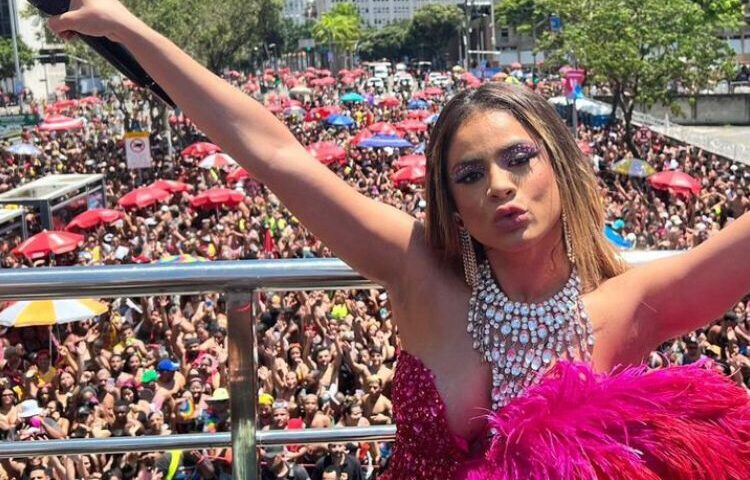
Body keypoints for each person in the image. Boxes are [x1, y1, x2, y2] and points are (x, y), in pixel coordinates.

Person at [48, 3, 750, 478]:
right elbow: (274, 152)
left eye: (518, 159)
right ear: (452, 203)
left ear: (559, 165)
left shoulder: (633, 304)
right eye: (469, 174)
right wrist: (128, 26)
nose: (498, 186)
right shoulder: (418, 269)